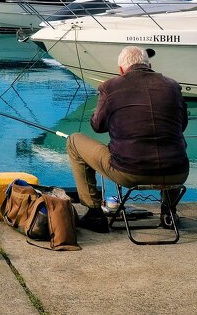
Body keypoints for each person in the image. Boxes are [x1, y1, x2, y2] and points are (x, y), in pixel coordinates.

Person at [66, 46, 189, 233]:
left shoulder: (110, 87)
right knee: (171, 143)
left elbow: (97, 126)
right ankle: (168, 212)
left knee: (74, 141)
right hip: (176, 173)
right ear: (150, 65)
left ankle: (93, 212)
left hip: (129, 172)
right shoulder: (173, 87)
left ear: (121, 70)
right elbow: (182, 126)